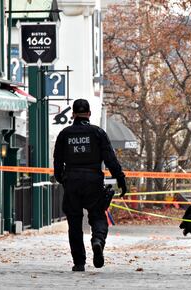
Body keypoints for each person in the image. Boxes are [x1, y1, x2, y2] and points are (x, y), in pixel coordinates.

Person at [53, 99, 127, 272]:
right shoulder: (97, 133)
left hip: (72, 181)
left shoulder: (65, 134)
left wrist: (62, 179)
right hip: (93, 180)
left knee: (74, 223)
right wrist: (120, 179)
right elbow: (110, 159)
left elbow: (57, 161)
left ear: (73, 114)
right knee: (98, 216)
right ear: (89, 113)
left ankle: (79, 262)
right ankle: (98, 241)